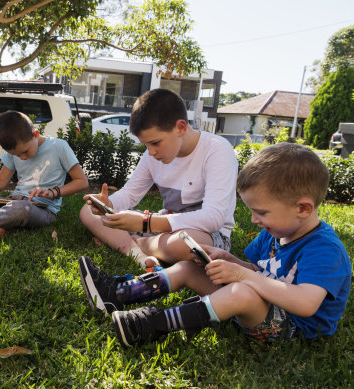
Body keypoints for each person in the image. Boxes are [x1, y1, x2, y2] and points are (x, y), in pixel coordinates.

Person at [78, 143, 351, 347]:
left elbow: (305, 303)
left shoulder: (324, 250)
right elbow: (258, 270)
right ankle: (118, 294)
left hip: (293, 330)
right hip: (256, 304)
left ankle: (153, 324)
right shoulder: (276, 229)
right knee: (187, 267)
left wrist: (244, 276)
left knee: (241, 292)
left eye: (262, 212)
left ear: (303, 208)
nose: (254, 220)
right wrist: (230, 261)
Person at [80, 88, 237, 270]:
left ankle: (133, 241)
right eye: (146, 145)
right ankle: (139, 254)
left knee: (186, 243)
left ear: (180, 127)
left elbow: (213, 218)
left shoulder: (217, 150)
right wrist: (108, 204)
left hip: (208, 234)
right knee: (88, 211)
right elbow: (130, 194)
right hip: (162, 228)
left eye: (155, 143)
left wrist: (146, 223)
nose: (151, 151)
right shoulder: (151, 155)